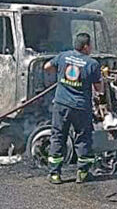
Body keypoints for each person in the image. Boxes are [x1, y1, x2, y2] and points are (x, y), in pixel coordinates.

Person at [43, 33, 103, 185]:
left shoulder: (63, 56)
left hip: (61, 105)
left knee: (57, 136)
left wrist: (60, 77)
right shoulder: (92, 64)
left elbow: (47, 67)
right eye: (91, 45)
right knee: (83, 138)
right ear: (85, 46)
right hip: (81, 107)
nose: (92, 48)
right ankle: (82, 173)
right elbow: (99, 88)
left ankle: (55, 174)